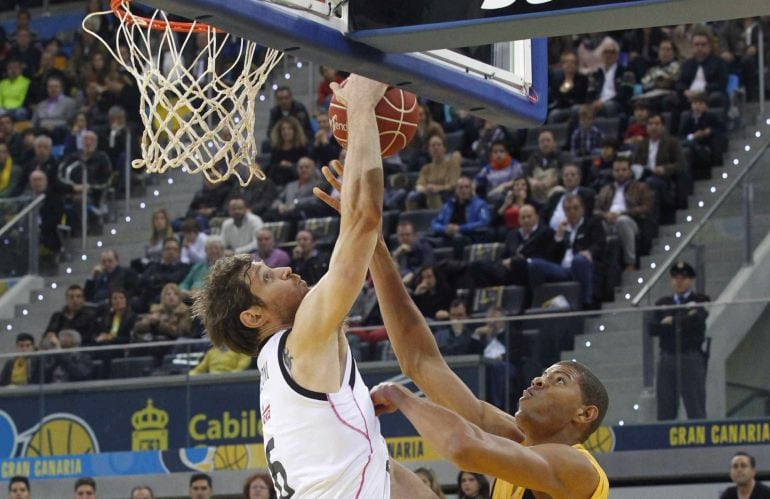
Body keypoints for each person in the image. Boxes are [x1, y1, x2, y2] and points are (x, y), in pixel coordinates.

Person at [192, 75, 433, 498]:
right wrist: (360, 109)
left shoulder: (286, 364)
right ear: (254, 316)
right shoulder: (301, 343)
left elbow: (384, 473)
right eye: (267, 278)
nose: (284, 271)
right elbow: (364, 223)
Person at [313, 160, 609, 499]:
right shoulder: (516, 441)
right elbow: (420, 360)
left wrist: (401, 396)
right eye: (546, 374)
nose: (539, 380)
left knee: (380, 472)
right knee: (376, 467)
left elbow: (462, 447)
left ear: (584, 414)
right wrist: (373, 242)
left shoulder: (580, 469)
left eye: (559, 380)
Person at [649, 261, 710, 420]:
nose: (679, 281)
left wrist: (671, 321)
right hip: (668, 357)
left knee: (695, 406)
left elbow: (697, 321)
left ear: (691, 280)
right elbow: (653, 328)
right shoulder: (662, 303)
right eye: (675, 277)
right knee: (665, 408)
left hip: (690, 356)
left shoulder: (699, 299)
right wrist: (684, 318)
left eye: (684, 277)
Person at [527, 194, 606, 309]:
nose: (572, 212)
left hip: (584, 266)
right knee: (535, 265)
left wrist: (590, 252)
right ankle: (539, 303)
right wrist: (558, 238)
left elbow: (600, 243)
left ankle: (586, 304)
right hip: (563, 270)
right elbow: (551, 257)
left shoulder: (592, 223)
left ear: (582, 209)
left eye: (575, 208)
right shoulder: (562, 229)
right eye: (568, 209)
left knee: (579, 260)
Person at [593, 157, 654, 271]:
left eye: (623, 170)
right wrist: (605, 215)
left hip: (631, 222)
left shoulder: (640, 187)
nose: (620, 173)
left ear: (630, 172)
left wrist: (622, 213)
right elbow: (595, 209)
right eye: (617, 170)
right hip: (608, 220)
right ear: (612, 172)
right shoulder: (606, 189)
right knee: (596, 224)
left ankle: (630, 262)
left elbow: (646, 208)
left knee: (622, 221)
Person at [430, 176, 491, 259]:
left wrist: (460, 228)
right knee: (421, 240)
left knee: (458, 239)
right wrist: (444, 229)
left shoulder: (480, 204)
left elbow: (484, 222)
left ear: (471, 189)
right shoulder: (448, 205)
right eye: (460, 187)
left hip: (468, 237)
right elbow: (435, 222)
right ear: (456, 190)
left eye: (466, 187)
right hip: (447, 236)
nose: (464, 190)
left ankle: (459, 266)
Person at [390, 220, 434, 284]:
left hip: (418, 283)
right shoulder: (396, 252)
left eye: (408, 235)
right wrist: (395, 256)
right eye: (402, 235)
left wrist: (413, 275)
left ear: (414, 235)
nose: (405, 238)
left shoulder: (424, 246)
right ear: (397, 237)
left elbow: (428, 266)